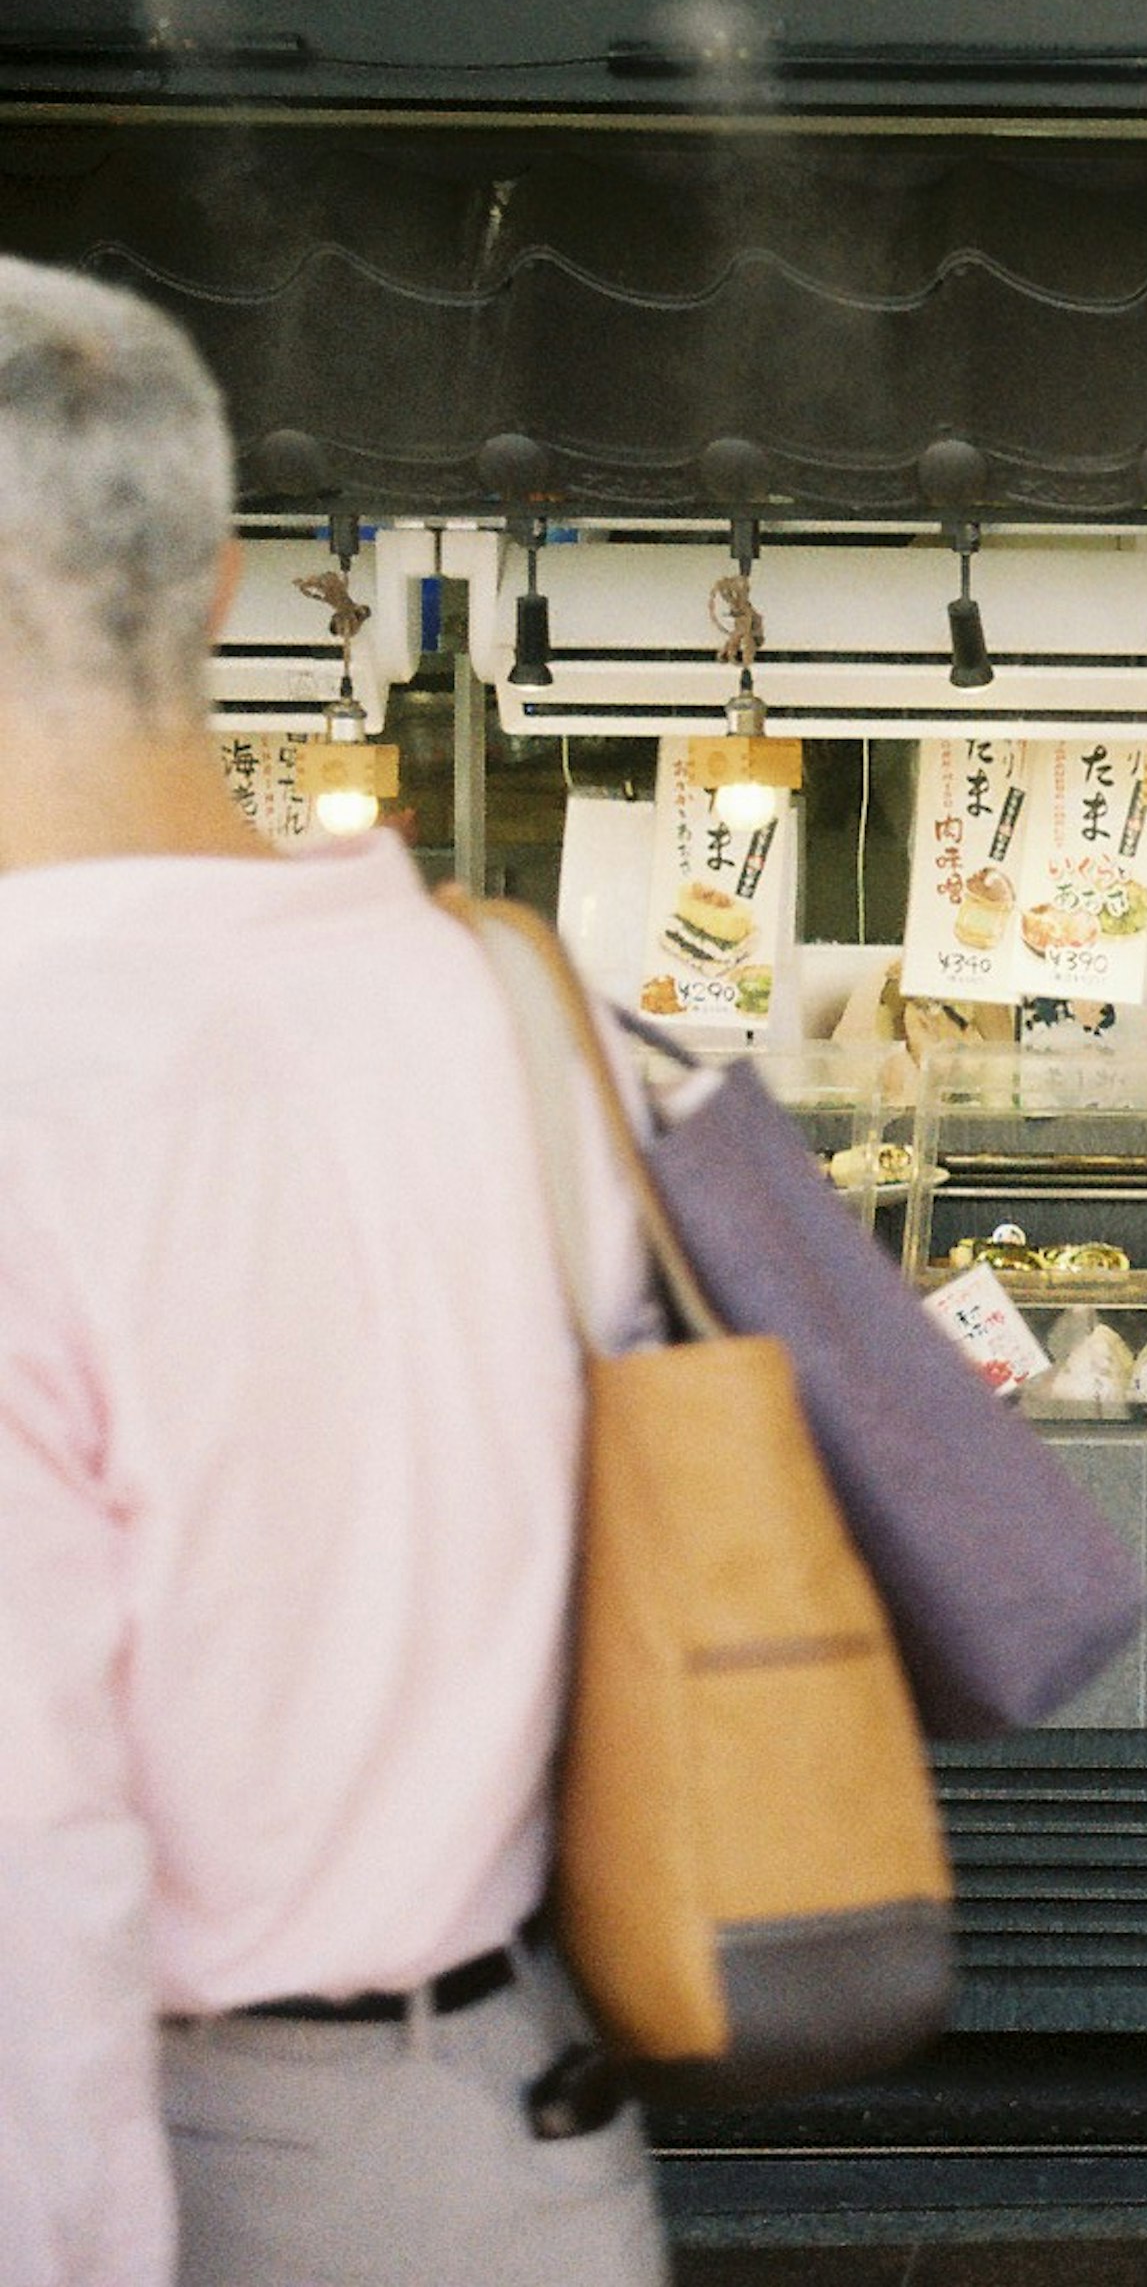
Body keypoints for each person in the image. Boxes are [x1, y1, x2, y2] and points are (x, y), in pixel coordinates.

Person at [0, 257, 667, 2285]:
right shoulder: (520, 1002)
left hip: (181, 2155)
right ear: (215, 586)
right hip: (534, 2146)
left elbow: (26, 1881)